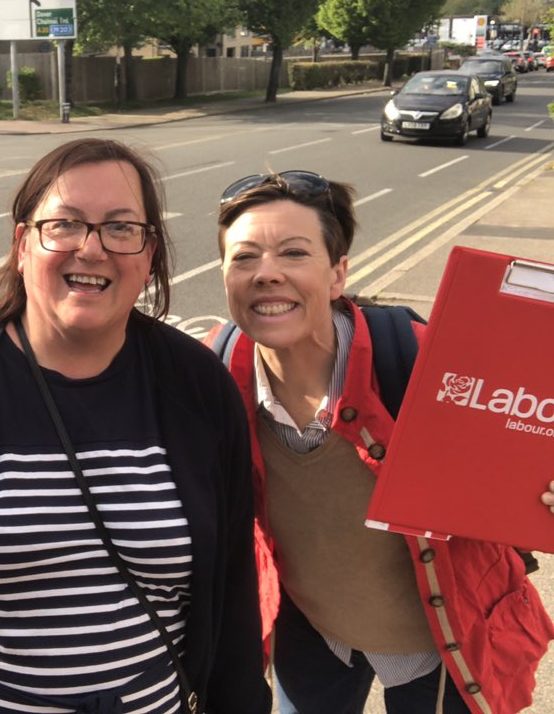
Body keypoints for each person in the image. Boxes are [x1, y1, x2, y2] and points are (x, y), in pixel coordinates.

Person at [0, 138, 271, 714]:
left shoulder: (196, 385)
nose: (92, 248)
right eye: (65, 224)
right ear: (22, 243)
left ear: (149, 253)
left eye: (122, 228)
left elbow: (231, 589)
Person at [208, 170, 554, 713]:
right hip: (314, 632)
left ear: (337, 273)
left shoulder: (422, 359)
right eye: (244, 257)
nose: (266, 274)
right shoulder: (214, 374)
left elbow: (532, 414)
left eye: (294, 254)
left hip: (441, 643)